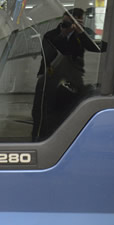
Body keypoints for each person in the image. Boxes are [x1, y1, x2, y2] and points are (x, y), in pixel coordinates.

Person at [31, 8, 100, 140]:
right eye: (67, 22)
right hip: (50, 78)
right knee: (42, 112)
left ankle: (64, 139)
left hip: (73, 79)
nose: (70, 26)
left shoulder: (83, 33)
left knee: (69, 112)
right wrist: (63, 35)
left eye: (76, 22)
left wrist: (81, 33)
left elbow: (98, 48)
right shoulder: (51, 35)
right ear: (63, 20)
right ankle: (39, 138)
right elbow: (47, 55)